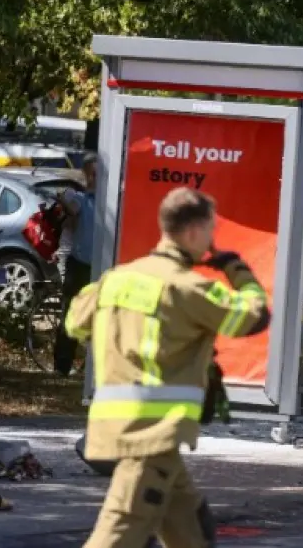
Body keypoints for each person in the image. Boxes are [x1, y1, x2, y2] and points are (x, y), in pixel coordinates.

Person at [64, 187, 270, 548]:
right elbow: (254, 317)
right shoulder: (188, 287)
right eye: (210, 230)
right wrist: (238, 271)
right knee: (121, 528)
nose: (211, 239)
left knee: (190, 526)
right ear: (193, 232)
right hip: (153, 430)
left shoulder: (115, 279)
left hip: (115, 423)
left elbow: (74, 323)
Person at [52, 152, 97, 375]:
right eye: (92, 173)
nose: (95, 178)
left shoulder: (112, 203)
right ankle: (62, 367)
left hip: (102, 266)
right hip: (79, 265)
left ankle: (92, 368)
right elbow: (64, 196)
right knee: (70, 314)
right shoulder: (82, 199)